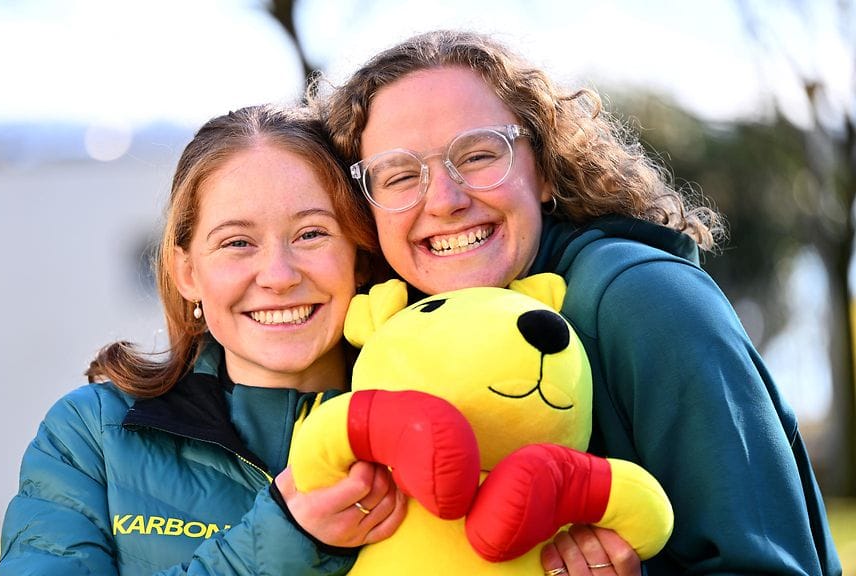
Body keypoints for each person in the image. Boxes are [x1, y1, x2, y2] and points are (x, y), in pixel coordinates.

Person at [311, 29, 842, 576]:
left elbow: (772, 562)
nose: (445, 200)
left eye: (477, 155)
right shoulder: (388, 334)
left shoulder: (646, 300)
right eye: (400, 175)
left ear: (541, 169)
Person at [0, 103, 408, 576]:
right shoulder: (91, 434)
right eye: (237, 242)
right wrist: (283, 543)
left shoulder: (434, 415)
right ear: (187, 272)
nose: (278, 275)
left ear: (358, 257)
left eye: (312, 234)